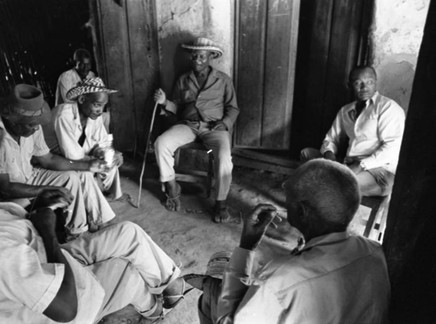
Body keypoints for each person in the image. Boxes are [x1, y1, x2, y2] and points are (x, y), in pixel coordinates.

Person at [0, 124, 187, 323]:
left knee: (128, 232)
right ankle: (155, 313)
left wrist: (40, 207)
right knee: (127, 272)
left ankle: (172, 284)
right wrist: (47, 231)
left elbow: (14, 240)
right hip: (58, 300)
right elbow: (65, 309)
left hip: (43, 261)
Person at [192, 159, 390, 323]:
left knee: (211, 294)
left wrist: (246, 245)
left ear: (302, 212)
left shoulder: (279, 281)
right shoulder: (374, 251)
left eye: (289, 197)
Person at [0, 84, 115, 238]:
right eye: (31, 124)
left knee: (71, 177)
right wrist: (44, 190)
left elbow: (48, 159)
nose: (36, 129)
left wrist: (87, 166)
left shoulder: (32, 127)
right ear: (13, 120)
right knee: (24, 225)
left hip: (30, 175)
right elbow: (5, 188)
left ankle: (76, 232)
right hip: (6, 192)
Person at [154, 37, 239, 223]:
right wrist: (164, 102)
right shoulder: (183, 79)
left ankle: (220, 203)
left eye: (202, 56)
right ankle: (172, 187)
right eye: (194, 56)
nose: (197, 60)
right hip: (188, 125)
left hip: (214, 128)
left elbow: (233, 108)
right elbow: (177, 107)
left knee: (224, 156)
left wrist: (224, 123)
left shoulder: (223, 80)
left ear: (211, 57)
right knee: (161, 143)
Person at [301, 66, 405, 197]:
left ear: (376, 82)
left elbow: (393, 147)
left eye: (369, 82)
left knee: (337, 183)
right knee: (306, 154)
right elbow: (330, 139)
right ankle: (329, 181)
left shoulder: (388, 108)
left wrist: (361, 165)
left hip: (379, 171)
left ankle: (320, 190)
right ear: (349, 85)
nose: (364, 87)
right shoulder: (345, 110)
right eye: (358, 83)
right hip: (348, 165)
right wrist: (330, 158)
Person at [53, 77, 124, 200]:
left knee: (110, 159)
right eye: (97, 105)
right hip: (58, 156)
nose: (100, 111)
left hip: (80, 153)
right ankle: (94, 207)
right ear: (81, 99)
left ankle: (111, 193)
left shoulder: (94, 115)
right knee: (84, 172)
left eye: (103, 106)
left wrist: (110, 153)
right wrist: (95, 157)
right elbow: (72, 155)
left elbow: (102, 141)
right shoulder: (63, 115)